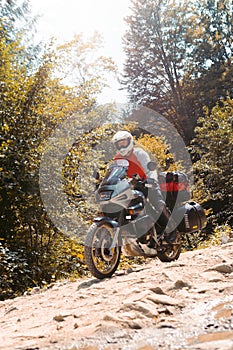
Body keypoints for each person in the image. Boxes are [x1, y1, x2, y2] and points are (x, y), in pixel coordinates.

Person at [112, 130, 177, 243]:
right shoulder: (117, 158)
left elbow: (150, 169)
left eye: (124, 142)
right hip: (131, 186)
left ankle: (172, 230)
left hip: (148, 182)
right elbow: (115, 174)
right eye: (119, 144)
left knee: (158, 204)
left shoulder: (139, 153)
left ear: (130, 141)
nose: (122, 145)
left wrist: (151, 180)